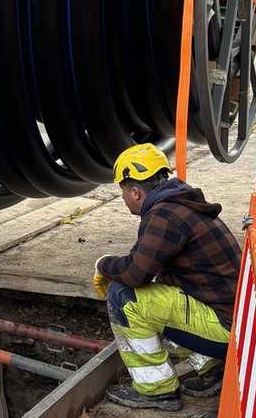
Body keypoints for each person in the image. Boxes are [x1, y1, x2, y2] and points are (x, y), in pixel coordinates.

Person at [93, 143, 241, 412]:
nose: (124, 198)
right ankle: (212, 371)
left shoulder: (165, 214)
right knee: (159, 289)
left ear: (135, 191)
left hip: (226, 330)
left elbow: (135, 272)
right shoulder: (180, 204)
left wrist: (104, 265)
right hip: (236, 322)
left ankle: (157, 391)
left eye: (123, 192)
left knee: (123, 296)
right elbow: (146, 264)